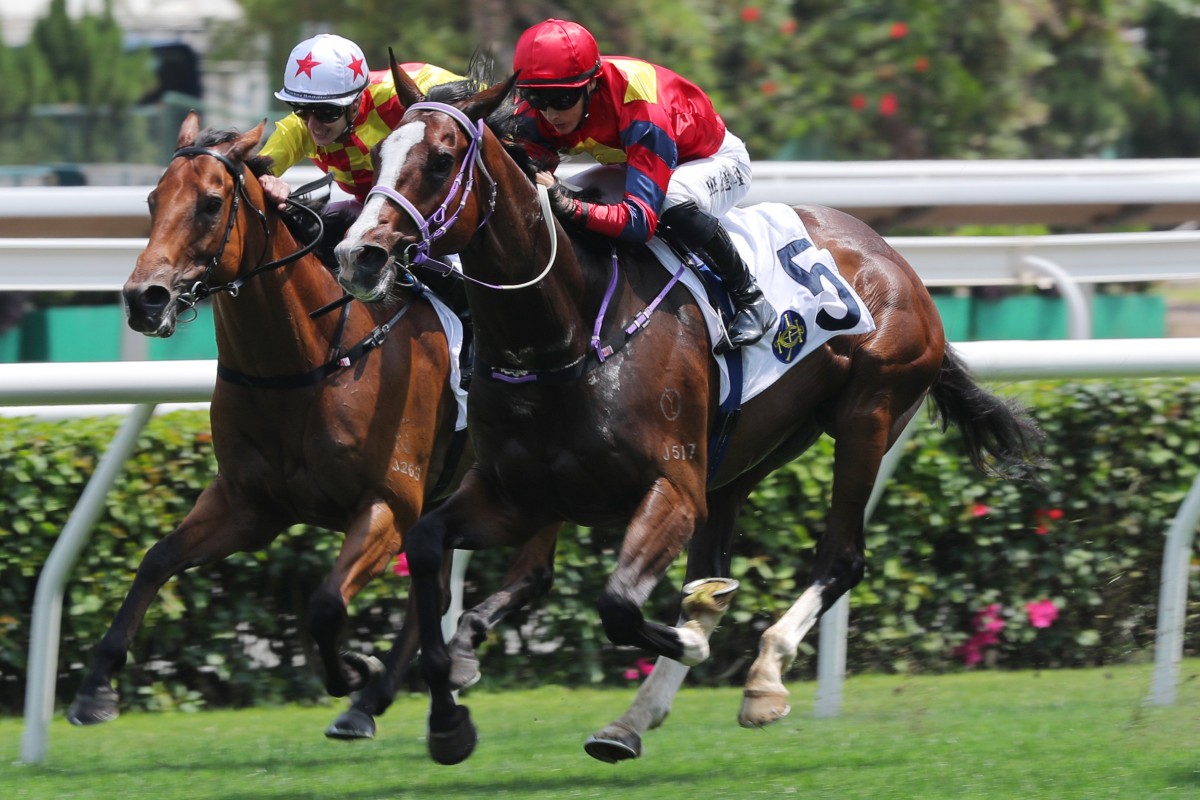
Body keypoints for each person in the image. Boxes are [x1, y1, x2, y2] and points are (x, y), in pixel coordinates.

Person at [509, 18, 776, 352]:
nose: (549, 114)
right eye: (537, 99)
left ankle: (751, 298)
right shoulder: (539, 110)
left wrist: (570, 205)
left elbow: (640, 223)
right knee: (546, 201)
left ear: (591, 85)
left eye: (562, 100)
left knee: (670, 199)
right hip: (634, 163)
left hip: (713, 161)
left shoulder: (640, 105)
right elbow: (527, 176)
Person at [258, 33, 462, 213]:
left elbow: (490, 107)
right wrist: (269, 182)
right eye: (301, 109)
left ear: (355, 103)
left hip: (450, 207)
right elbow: (251, 175)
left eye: (326, 112)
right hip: (377, 217)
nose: (313, 125)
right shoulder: (297, 128)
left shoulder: (413, 87)